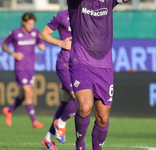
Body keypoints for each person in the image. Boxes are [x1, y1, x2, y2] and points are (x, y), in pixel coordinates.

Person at [54, 0, 131, 150]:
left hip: (104, 66)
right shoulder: (77, 3)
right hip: (81, 61)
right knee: (85, 106)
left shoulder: (108, 1)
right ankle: (80, 145)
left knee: (103, 117)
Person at [39, 9, 78, 149]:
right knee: (79, 98)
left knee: (66, 103)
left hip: (80, 64)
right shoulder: (62, 16)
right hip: (65, 64)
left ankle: (48, 139)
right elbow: (43, 34)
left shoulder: (87, 13)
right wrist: (60, 43)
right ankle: (61, 124)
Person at [2, 12, 45, 129]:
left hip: (31, 67)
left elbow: (40, 42)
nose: (31, 26)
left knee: (24, 96)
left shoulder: (35, 32)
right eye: (29, 24)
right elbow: (4, 46)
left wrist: (41, 46)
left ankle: (9, 110)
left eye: (33, 24)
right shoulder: (15, 33)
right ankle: (34, 121)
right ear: (23, 23)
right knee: (28, 93)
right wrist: (13, 53)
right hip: (20, 67)